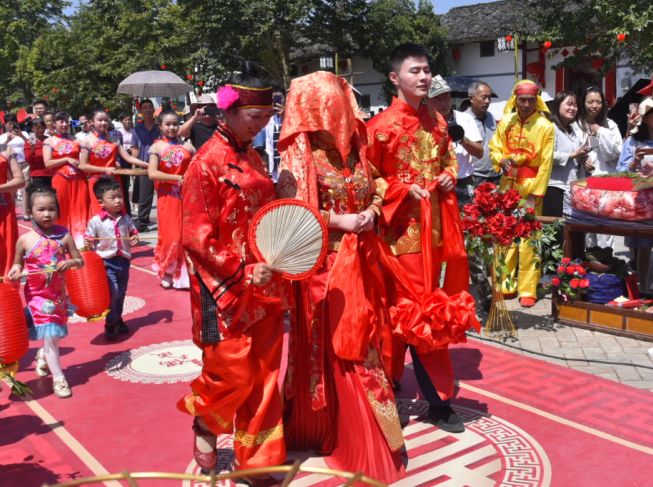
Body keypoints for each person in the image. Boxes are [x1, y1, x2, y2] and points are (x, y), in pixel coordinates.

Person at [277, 71, 405, 483]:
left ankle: (359, 431)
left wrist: (371, 212)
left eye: (344, 105)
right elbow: (289, 210)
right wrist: (339, 219)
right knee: (340, 350)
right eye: (335, 106)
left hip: (363, 262)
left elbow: (380, 186)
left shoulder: (357, 151)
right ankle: (348, 432)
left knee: (364, 340)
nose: (345, 114)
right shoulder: (300, 157)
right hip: (323, 269)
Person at [177, 63, 287, 482]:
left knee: (263, 374)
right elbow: (196, 237)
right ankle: (206, 421)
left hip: (264, 282)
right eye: (255, 118)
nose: (261, 126)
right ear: (230, 110)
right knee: (230, 372)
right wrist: (242, 270)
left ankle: (258, 463)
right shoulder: (205, 164)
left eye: (266, 119)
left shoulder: (254, 155)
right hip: (219, 287)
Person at [366, 43, 468, 433]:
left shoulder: (438, 123)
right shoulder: (378, 129)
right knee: (402, 314)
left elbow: (447, 160)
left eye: (427, 70)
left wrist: (447, 175)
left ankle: (433, 398)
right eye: (415, 71)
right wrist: (397, 190)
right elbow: (367, 180)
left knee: (430, 311)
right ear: (395, 78)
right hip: (396, 241)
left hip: (435, 235)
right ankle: (403, 391)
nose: (424, 77)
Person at [7, 186, 83, 398]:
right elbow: (16, 264)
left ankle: (43, 356)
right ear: (30, 212)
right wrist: (15, 270)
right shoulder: (25, 240)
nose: (47, 213)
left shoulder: (64, 236)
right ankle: (59, 379)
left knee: (54, 339)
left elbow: (80, 261)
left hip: (58, 296)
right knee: (50, 336)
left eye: (51, 209)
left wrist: (69, 263)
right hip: (38, 297)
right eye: (41, 209)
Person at [489, 80, 554, 307]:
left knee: (528, 237)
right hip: (507, 184)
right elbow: (494, 147)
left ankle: (528, 288)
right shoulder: (505, 121)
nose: (525, 104)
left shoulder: (545, 126)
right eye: (521, 99)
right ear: (515, 99)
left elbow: (546, 163)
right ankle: (505, 283)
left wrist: (535, 194)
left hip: (530, 186)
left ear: (537, 100)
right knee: (505, 233)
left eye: (530, 100)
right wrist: (501, 159)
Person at [84, 177, 139, 341]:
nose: (118, 201)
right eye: (112, 198)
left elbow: (133, 232)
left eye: (120, 197)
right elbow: (88, 239)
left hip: (124, 261)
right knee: (113, 291)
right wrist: (88, 242)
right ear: (101, 202)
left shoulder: (126, 218)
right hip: (106, 262)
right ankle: (110, 323)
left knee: (121, 293)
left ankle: (118, 318)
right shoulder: (96, 221)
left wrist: (135, 237)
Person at [147, 109, 194, 289]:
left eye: (175, 124)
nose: (172, 127)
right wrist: (177, 178)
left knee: (186, 236)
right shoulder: (156, 147)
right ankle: (167, 270)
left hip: (188, 196)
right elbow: (152, 173)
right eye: (167, 124)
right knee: (171, 236)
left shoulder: (188, 147)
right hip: (167, 197)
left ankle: (184, 274)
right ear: (160, 126)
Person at [574, 86, 623, 248]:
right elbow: (570, 151)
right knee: (587, 228)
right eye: (590, 102)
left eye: (598, 102)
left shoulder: (610, 125)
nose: (594, 105)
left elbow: (614, 154)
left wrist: (600, 131)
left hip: (605, 183)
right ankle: (590, 263)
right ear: (583, 103)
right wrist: (581, 159)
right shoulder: (576, 124)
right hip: (583, 183)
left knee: (604, 228)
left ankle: (605, 262)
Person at [78, 108, 147, 214]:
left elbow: (128, 158)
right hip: (97, 183)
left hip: (114, 181)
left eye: (106, 120)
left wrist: (147, 164)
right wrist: (104, 169)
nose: (103, 123)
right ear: (92, 121)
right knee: (100, 214)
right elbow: (82, 166)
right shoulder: (86, 141)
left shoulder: (114, 139)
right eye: (100, 120)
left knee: (117, 211)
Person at [617, 97, 653, 293]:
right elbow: (620, 170)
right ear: (646, 117)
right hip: (639, 198)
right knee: (639, 243)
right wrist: (634, 163)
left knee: (646, 245)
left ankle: (645, 287)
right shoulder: (632, 141)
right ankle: (640, 286)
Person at [43, 112, 89, 247]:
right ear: (54, 123)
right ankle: (60, 241)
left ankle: (80, 241)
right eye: (61, 121)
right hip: (60, 179)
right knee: (61, 209)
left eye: (66, 122)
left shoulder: (76, 139)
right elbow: (48, 163)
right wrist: (66, 159)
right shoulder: (49, 141)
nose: (64, 124)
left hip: (79, 179)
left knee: (80, 209)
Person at [543, 91, 591, 217]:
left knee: (570, 229)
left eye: (575, 105)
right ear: (558, 105)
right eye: (569, 104)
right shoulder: (551, 128)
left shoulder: (574, 130)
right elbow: (546, 155)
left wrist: (583, 159)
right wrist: (572, 155)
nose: (573, 108)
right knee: (556, 230)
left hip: (571, 186)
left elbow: (576, 155)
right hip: (554, 187)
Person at [132, 99, 160, 232]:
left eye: (150, 107)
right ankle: (142, 222)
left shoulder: (160, 127)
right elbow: (135, 148)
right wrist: (135, 165)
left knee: (164, 195)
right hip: (144, 165)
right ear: (141, 111)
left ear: (154, 110)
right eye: (145, 107)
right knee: (145, 196)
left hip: (161, 166)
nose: (148, 109)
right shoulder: (137, 129)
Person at [467, 80, 501, 185]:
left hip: (495, 174)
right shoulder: (464, 119)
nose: (487, 101)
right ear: (472, 99)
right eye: (483, 97)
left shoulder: (490, 116)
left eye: (489, 98)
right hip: (476, 176)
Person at [0, 147, 25, 275]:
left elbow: (20, 181)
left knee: (6, 247)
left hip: (3, 208)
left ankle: (5, 286)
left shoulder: (6, 150)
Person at [23, 120, 54, 220]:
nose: (40, 130)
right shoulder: (30, 141)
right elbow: (28, 159)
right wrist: (32, 148)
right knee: (41, 198)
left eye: (42, 127)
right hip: (38, 174)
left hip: (52, 173)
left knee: (52, 198)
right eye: (37, 128)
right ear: (32, 129)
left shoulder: (48, 139)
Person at [253, 85, 285, 181]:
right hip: (271, 171)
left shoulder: (291, 118)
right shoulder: (264, 120)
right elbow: (258, 148)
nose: (275, 103)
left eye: (279, 99)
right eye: (272, 100)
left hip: (288, 170)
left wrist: (285, 117)